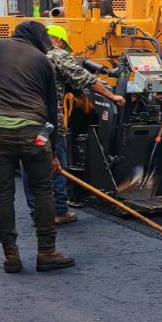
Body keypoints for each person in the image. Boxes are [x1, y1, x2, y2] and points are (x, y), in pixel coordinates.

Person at [0, 20, 75, 274]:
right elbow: (52, 113)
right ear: (38, 39)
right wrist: (53, 153)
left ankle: (10, 255)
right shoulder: (43, 61)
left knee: (2, 195)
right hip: (35, 134)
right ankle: (46, 253)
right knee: (43, 191)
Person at [29, 24, 125, 225]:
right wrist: (112, 96)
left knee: (31, 165)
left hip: (25, 123)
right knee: (55, 163)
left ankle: (36, 212)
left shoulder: (27, 54)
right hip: (48, 125)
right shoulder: (56, 54)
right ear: (58, 41)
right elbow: (86, 80)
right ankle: (58, 210)